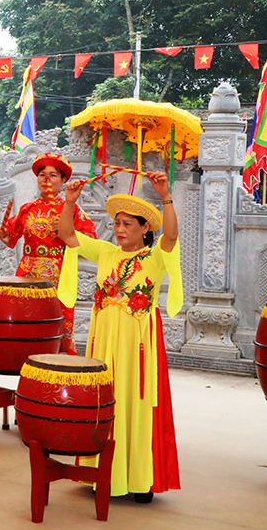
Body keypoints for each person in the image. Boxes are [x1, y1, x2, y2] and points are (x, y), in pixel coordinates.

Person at [56, 173, 181, 502]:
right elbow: (66, 233)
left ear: (144, 228)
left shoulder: (154, 258)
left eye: (128, 224)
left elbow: (171, 235)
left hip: (138, 346)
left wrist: (165, 197)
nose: (120, 229)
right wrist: (69, 201)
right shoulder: (106, 253)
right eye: (117, 223)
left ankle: (140, 479)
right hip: (104, 342)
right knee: (104, 401)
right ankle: (103, 473)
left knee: (136, 403)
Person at [0, 153, 97, 353]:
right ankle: (24, 355)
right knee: (24, 315)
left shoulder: (70, 209)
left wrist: (69, 230)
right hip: (27, 272)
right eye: (42, 175)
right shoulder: (27, 208)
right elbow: (10, 236)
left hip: (57, 273)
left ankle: (57, 358)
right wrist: (2, 234)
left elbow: (90, 239)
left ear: (63, 180)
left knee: (56, 317)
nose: (46, 179)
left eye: (53, 175)